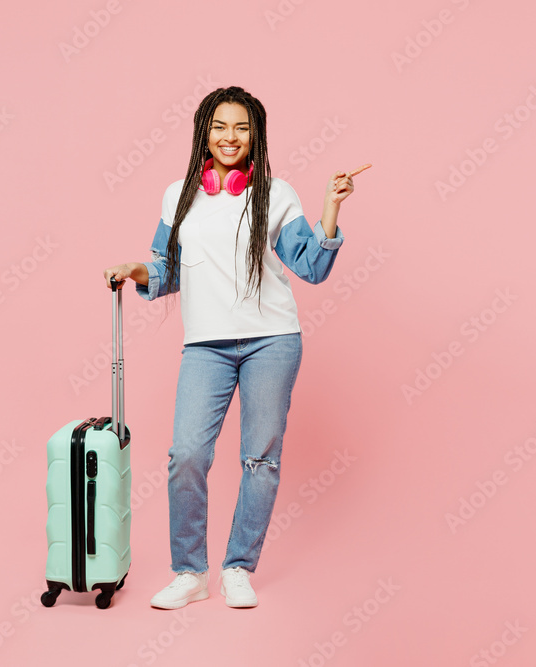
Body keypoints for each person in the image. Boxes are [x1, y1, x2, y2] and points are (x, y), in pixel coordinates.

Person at [103, 86, 370, 609]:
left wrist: (330, 209)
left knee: (260, 461)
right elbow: (166, 269)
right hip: (207, 346)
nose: (231, 137)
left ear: (256, 136)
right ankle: (190, 573)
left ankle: (239, 568)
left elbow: (311, 267)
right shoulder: (178, 194)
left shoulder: (277, 192)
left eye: (242, 128)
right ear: (205, 131)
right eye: (220, 126)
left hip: (272, 340)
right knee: (187, 456)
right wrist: (137, 269)